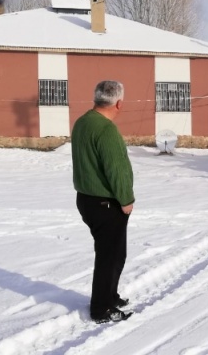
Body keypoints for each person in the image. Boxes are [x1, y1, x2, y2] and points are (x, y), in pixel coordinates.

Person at [72, 80, 135, 324]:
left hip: (87, 200)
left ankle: (110, 295)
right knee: (109, 256)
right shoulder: (105, 129)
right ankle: (100, 309)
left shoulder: (83, 122)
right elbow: (115, 170)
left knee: (116, 253)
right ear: (118, 103)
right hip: (106, 203)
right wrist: (126, 200)